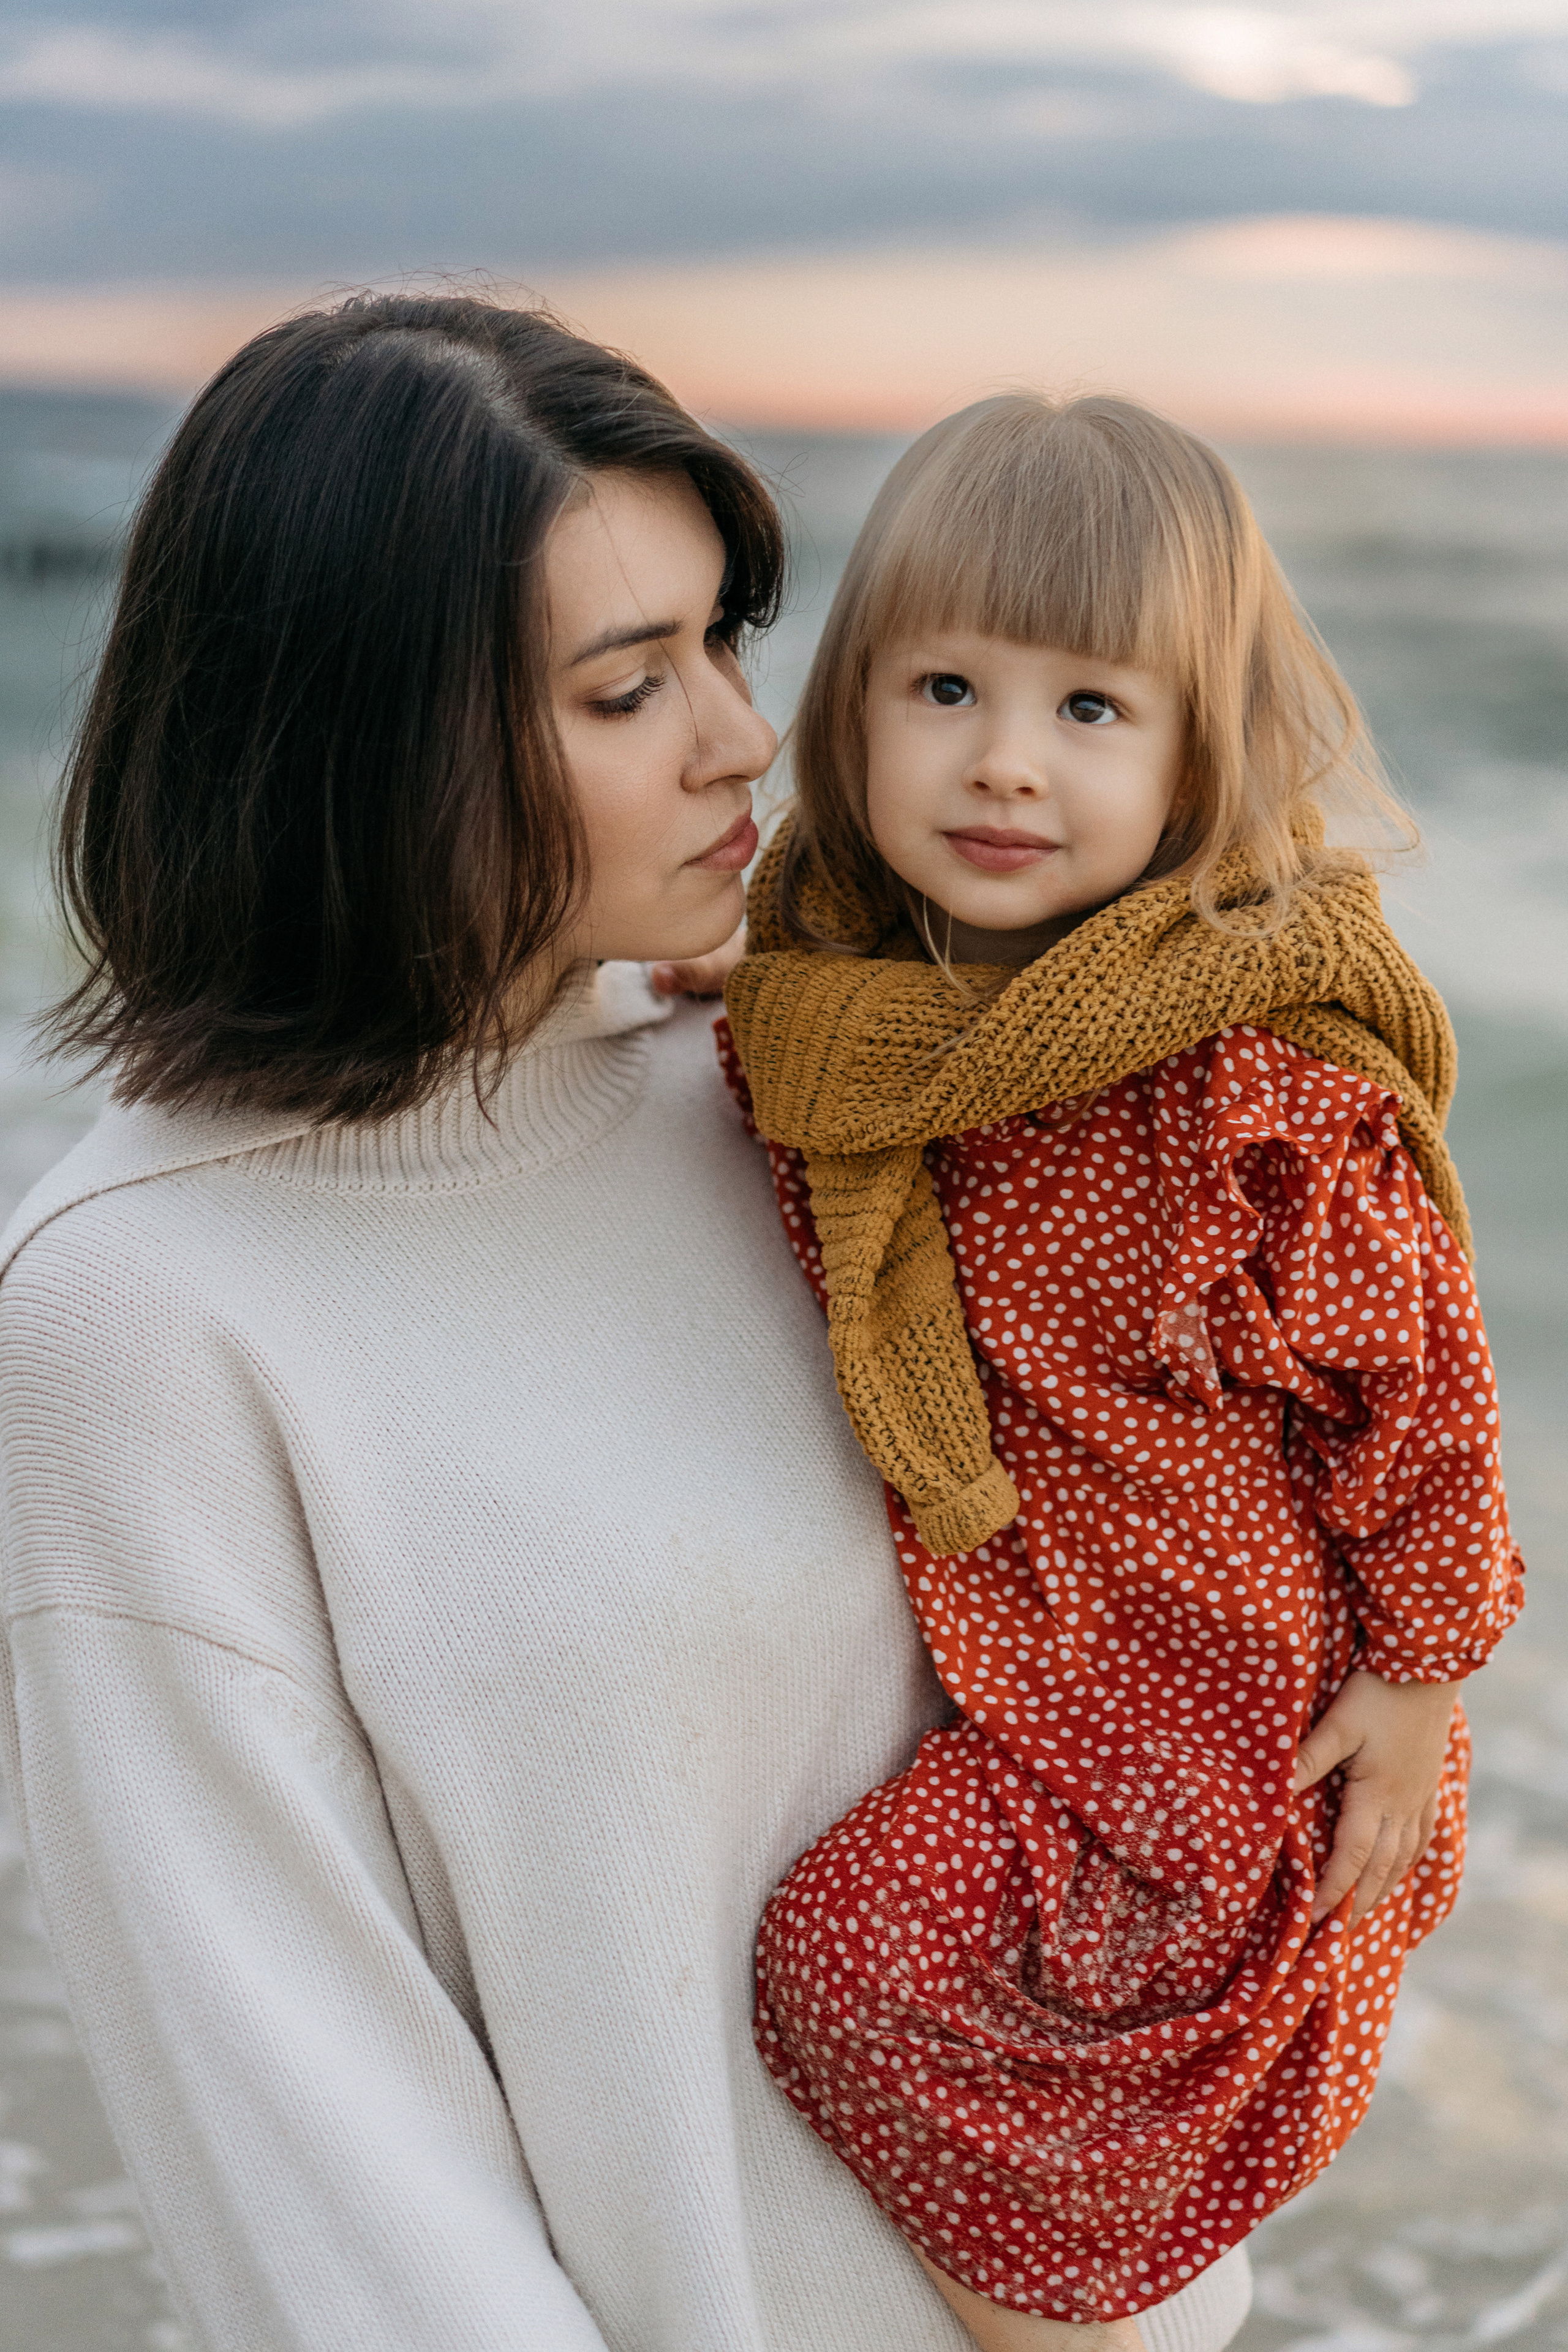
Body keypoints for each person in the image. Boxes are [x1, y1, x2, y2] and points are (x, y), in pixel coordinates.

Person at [3, 292, 998, 2352]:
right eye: (629, 688)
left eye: (724, 640)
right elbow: (324, 2177)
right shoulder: (143, 1306)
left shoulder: (782, 1096)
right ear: (369, 742)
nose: (744, 734)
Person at [720, 393, 1523, 2352]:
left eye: (1093, 710)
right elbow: (771, 1074)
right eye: (943, 686)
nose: (1004, 764)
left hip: (1220, 1700)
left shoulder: (1251, 1083)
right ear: (852, 706)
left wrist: (1416, 1691)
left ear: (1197, 752)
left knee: (842, 1966)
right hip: (1049, 1656)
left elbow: (1427, 1414)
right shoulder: (846, 1022)